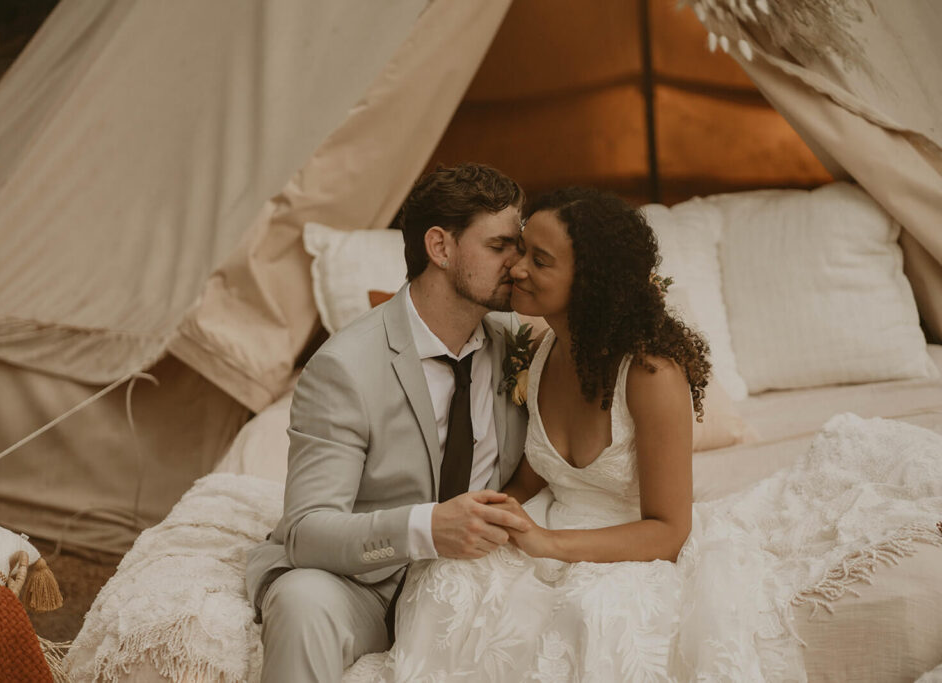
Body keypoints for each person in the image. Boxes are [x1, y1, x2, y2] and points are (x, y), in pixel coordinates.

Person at [379, 187, 806, 681]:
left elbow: (670, 530)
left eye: (540, 261)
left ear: (590, 282)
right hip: (548, 528)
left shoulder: (651, 375)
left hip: (632, 548)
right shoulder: (542, 353)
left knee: (593, 618)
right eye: (520, 250)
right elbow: (535, 472)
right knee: (450, 577)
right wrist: (496, 513)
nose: (517, 269)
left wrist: (550, 543)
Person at [245, 163, 533, 683]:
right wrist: (427, 529)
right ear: (440, 248)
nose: (518, 265)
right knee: (302, 601)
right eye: (498, 247)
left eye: (520, 246)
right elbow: (306, 532)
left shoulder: (520, 342)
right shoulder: (345, 366)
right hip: (363, 583)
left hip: (481, 581)